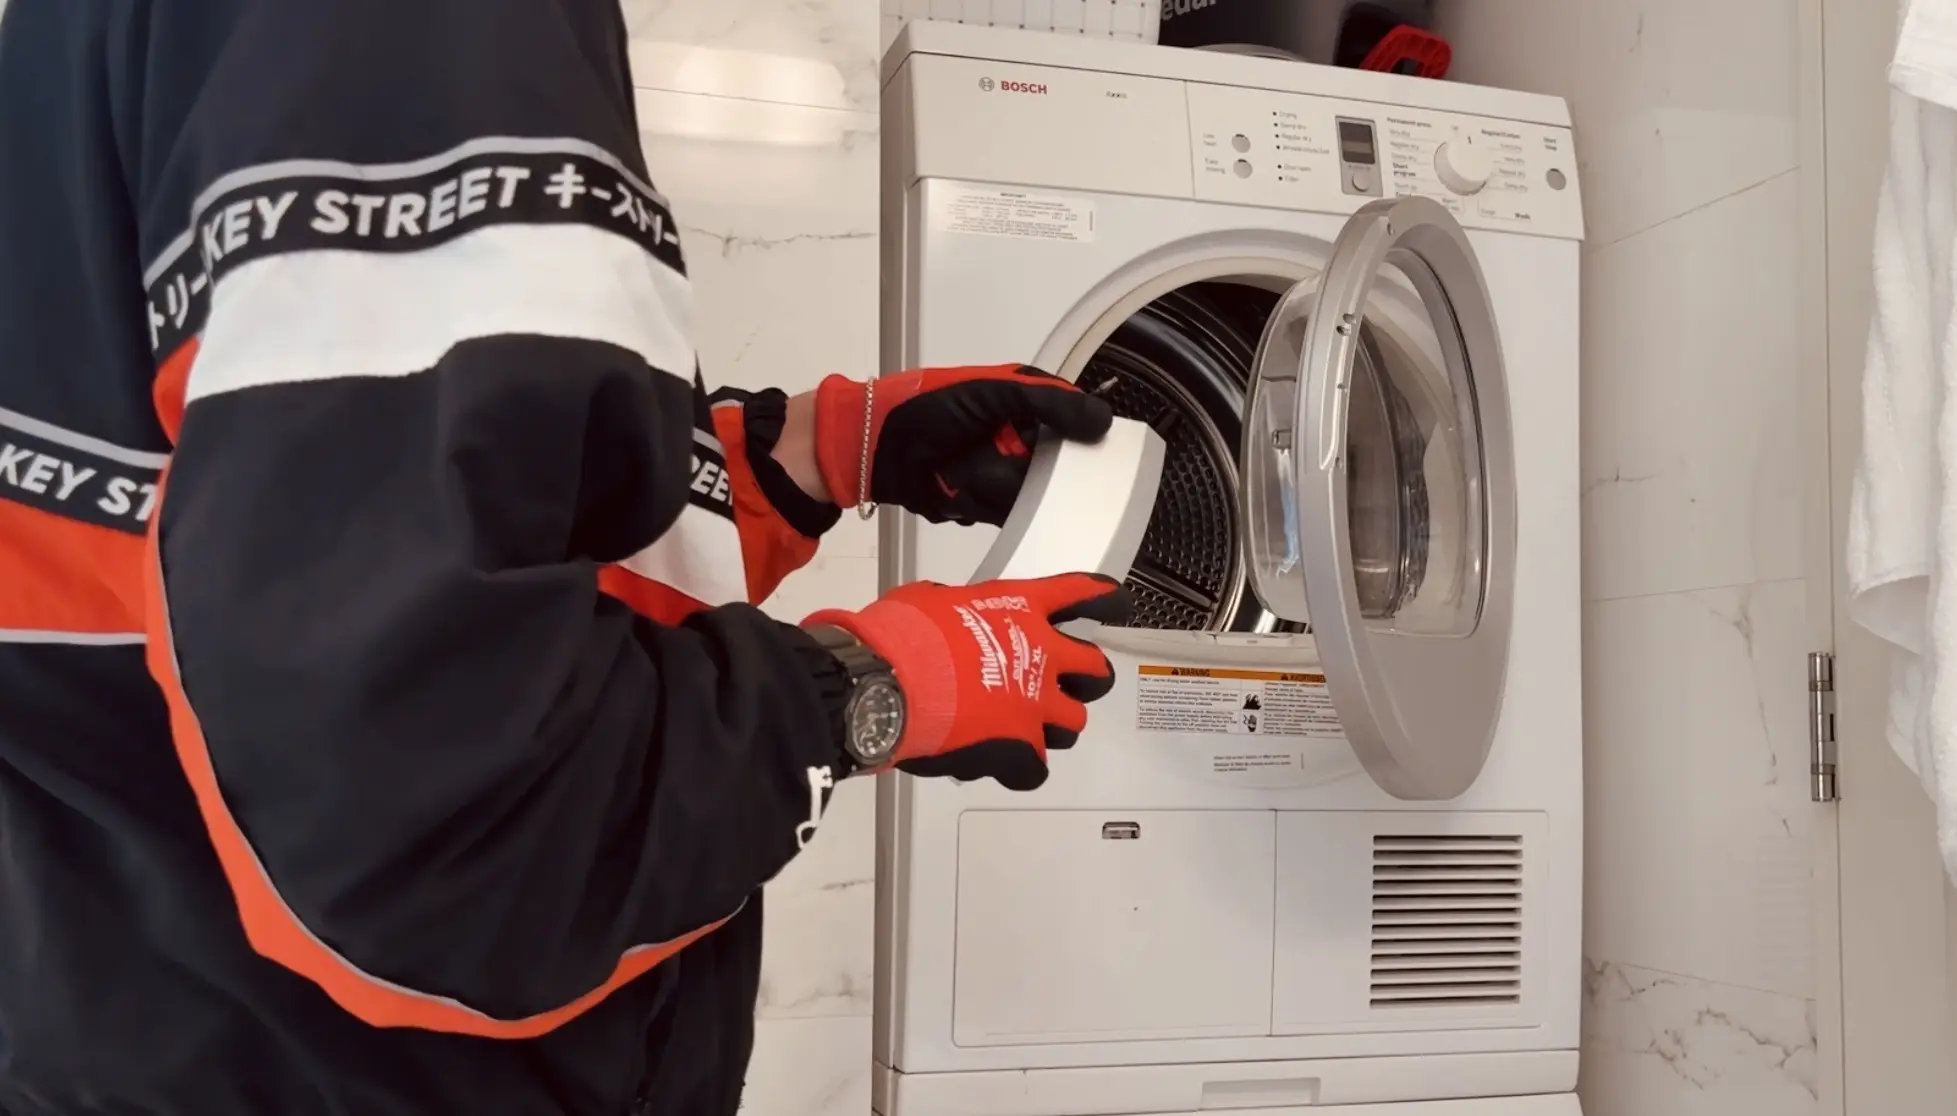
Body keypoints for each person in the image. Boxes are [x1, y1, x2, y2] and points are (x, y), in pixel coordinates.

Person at [0, 1, 1131, 1113]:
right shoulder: (411, 27)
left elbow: (277, 526)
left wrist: (809, 456)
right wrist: (866, 687)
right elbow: (444, 821)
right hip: (342, 1066)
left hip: (156, 997)